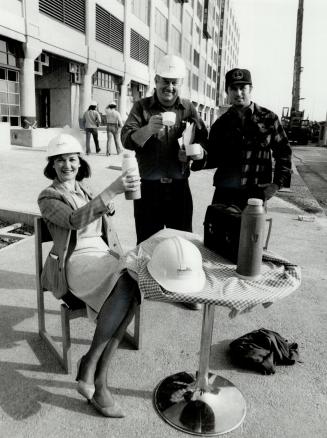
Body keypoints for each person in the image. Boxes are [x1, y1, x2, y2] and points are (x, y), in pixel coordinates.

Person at [38, 133, 141, 418]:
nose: (67, 166)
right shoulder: (48, 196)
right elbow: (72, 221)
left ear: (80, 162)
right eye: (60, 161)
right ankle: (97, 377)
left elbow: (100, 219)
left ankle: (92, 368)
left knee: (134, 282)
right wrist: (111, 191)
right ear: (52, 165)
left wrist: (106, 203)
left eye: (72, 159)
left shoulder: (85, 190)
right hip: (74, 262)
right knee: (127, 284)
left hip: (100, 254)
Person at [121, 54, 208, 245]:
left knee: (183, 245)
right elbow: (126, 139)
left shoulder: (188, 108)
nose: (169, 87)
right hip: (148, 190)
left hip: (179, 190)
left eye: (174, 82)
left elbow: (204, 142)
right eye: (165, 81)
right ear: (156, 80)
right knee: (147, 246)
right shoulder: (141, 107)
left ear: (181, 83)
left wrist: (193, 153)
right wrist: (147, 130)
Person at [192, 68, 292, 209]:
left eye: (242, 88)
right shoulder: (221, 124)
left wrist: (276, 185)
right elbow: (213, 158)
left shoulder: (269, 118)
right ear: (227, 92)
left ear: (250, 89)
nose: (238, 93)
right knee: (217, 230)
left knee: (251, 232)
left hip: (255, 193)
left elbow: (284, 153)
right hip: (224, 192)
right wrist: (198, 156)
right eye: (233, 88)